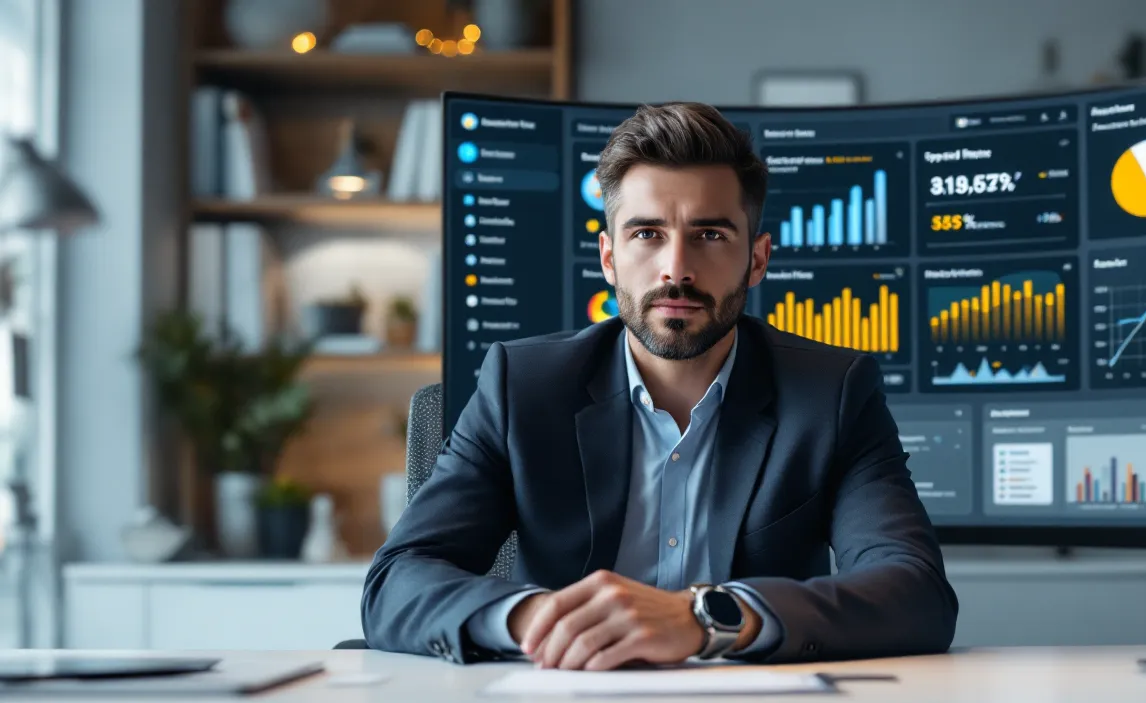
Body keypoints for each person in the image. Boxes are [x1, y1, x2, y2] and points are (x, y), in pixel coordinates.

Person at [362, 102, 958, 670]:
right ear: (608, 258)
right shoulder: (522, 387)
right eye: (647, 233)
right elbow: (397, 581)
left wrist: (709, 618)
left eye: (710, 235)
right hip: (562, 700)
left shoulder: (831, 394)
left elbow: (916, 591)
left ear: (757, 260)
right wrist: (539, 619)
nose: (676, 268)